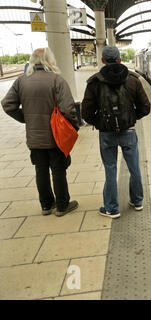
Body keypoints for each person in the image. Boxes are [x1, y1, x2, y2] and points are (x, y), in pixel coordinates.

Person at [1, 48, 79, 216]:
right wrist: (74, 126)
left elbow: (7, 104)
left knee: (40, 170)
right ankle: (62, 205)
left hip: (34, 137)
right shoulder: (56, 80)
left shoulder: (21, 81)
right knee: (58, 170)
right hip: (55, 136)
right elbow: (68, 108)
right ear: (49, 60)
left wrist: (25, 118)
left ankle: (46, 205)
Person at [81, 46, 151, 219]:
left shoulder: (94, 82)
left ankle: (112, 208)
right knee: (134, 167)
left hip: (106, 133)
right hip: (128, 131)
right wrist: (132, 117)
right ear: (120, 59)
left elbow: (86, 112)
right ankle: (137, 201)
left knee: (110, 168)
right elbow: (146, 107)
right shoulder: (133, 80)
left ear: (103, 61)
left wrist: (99, 122)